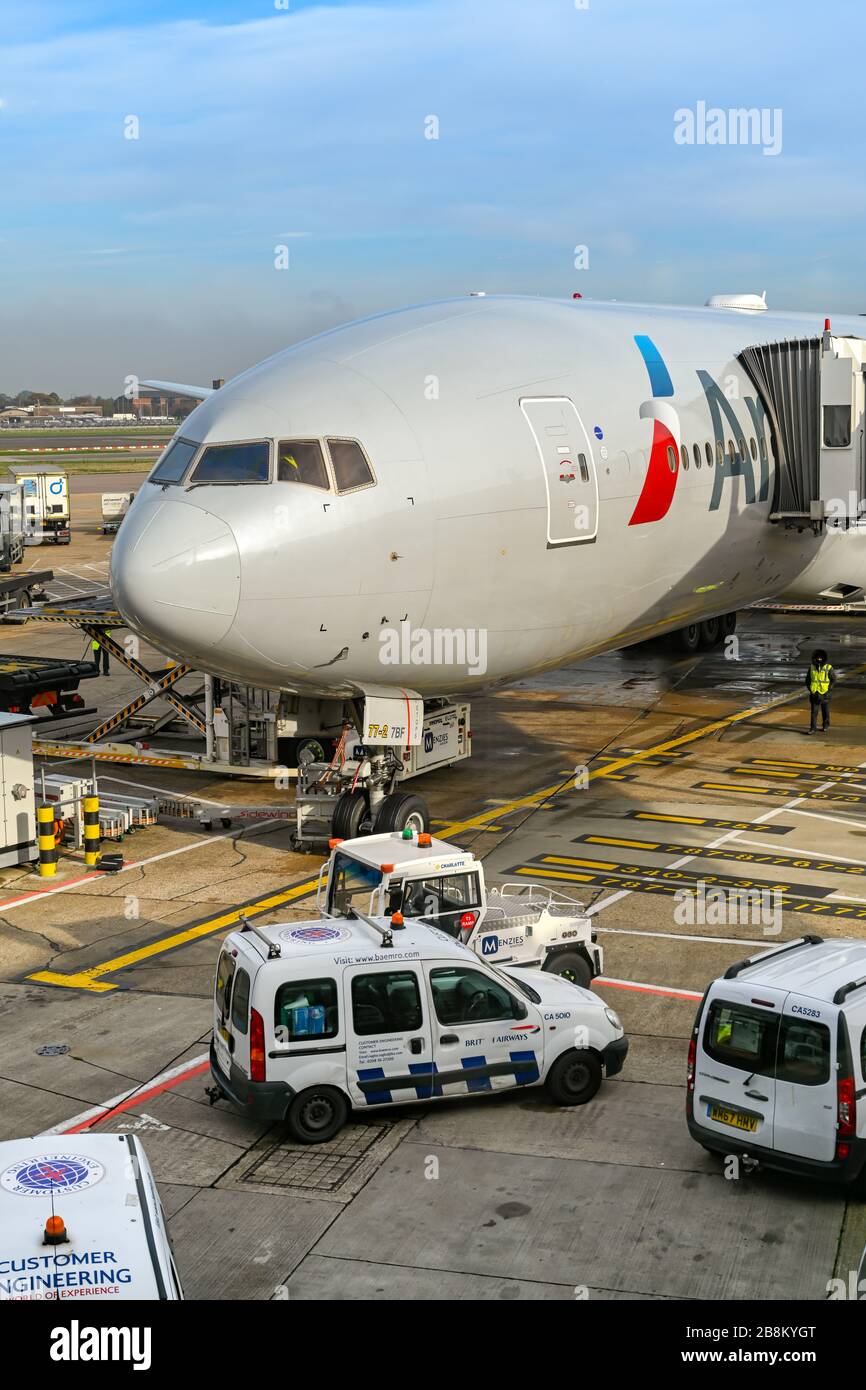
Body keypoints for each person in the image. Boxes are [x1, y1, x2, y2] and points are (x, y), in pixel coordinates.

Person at [805, 648, 835, 733]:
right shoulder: (811, 667)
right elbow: (807, 679)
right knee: (814, 712)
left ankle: (825, 725)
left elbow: (833, 679)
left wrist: (829, 689)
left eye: (820, 658)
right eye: (817, 658)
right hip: (815, 692)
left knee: (825, 711)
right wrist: (810, 689)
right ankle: (812, 728)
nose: (819, 659)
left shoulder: (828, 667)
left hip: (825, 693)